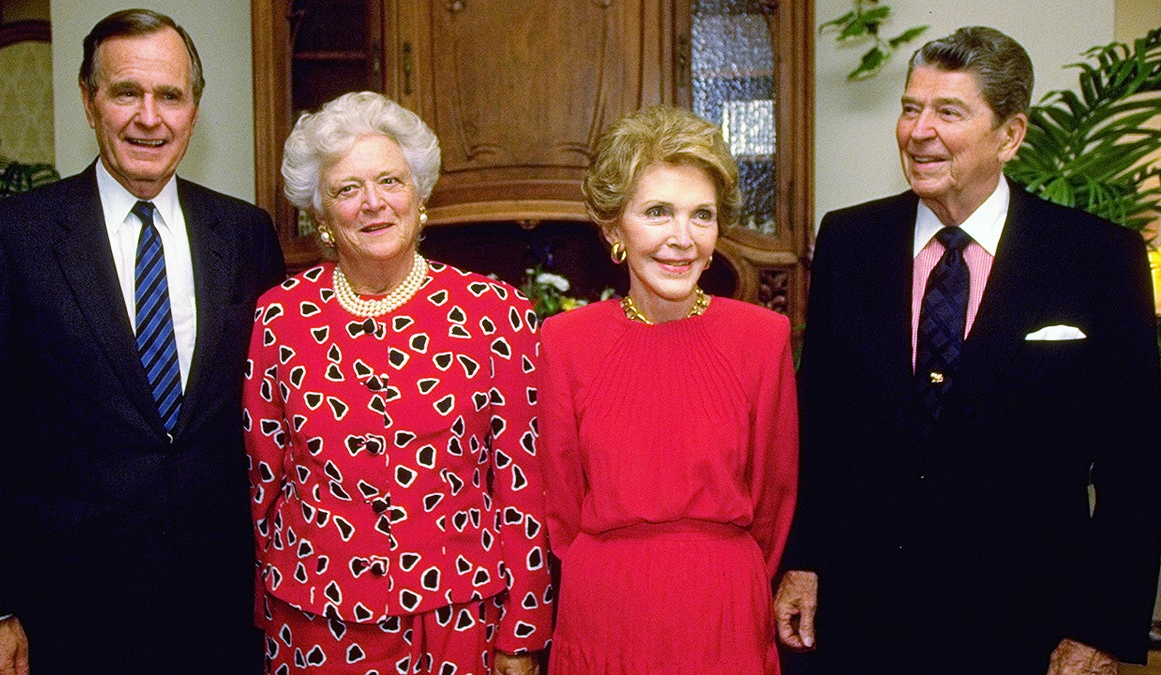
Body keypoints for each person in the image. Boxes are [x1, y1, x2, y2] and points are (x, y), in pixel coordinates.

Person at [776, 26, 1161, 675]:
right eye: (910, 107)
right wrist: (805, 559)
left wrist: (1100, 625)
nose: (918, 131)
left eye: (948, 112)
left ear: (1010, 134)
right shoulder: (850, 240)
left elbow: (1137, 464)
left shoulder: (1098, 257)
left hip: (1025, 628)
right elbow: (823, 424)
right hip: (862, 620)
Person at [0, 8, 286, 674]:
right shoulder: (11, 239)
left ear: (194, 109)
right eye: (125, 92)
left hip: (220, 614)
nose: (150, 116)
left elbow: (273, 419)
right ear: (89, 101)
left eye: (170, 95)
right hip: (69, 617)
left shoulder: (246, 234)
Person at [245, 91, 552, 675]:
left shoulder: (496, 312)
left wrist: (524, 629)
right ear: (322, 215)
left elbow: (522, 487)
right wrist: (265, 608)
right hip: (314, 620)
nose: (373, 204)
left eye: (390, 181)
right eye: (347, 189)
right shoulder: (279, 317)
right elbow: (265, 478)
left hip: (458, 622)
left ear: (419, 195)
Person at [539, 105, 799, 673]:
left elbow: (774, 496)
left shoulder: (763, 337)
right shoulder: (564, 342)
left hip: (722, 610)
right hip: (604, 610)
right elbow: (559, 505)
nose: (681, 239)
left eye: (700, 216)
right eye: (658, 212)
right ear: (614, 228)